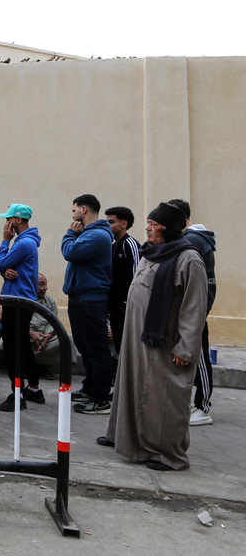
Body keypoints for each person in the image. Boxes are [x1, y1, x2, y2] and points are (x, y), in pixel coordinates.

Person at [100, 202, 207, 471]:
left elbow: (194, 308)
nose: (147, 228)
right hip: (137, 339)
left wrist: (186, 348)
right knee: (131, 388)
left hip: (165, 343)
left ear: (169, 229)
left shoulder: (189, 259)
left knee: (163, 398)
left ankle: (168, 455)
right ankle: (124, 438)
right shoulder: (151, 252)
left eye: (154, 224)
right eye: (148, 223)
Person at [62, 194, 114, 415]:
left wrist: (69, 234)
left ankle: (100, 399)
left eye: (74, 210)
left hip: (90, 301)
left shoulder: (98, 235)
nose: (73, 214)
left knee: (97, 351)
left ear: (83, 209)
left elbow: (70, 252)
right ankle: (89, 388)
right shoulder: (89, 233)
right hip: (81, 299)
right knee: (85, 348)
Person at [169, 199, 217, 426]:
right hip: (190, 308)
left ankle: (203, 407)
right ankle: (195, 404)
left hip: (194, 310)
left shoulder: (193, 240)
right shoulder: (190, 238)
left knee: (198, 357)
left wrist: (200, 312)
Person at [0, 203, 44, 411]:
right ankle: (34, 389)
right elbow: (7, 267)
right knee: (22, 344)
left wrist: (5, 241)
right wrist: (5, 271)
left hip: (16, 302)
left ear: (18, 219)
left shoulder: (23, 243)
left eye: (9, 219)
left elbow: (1, 262)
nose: (7, 223)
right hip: (20, 301)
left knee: (13, 348)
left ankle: (17, 395)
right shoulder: (26, 241)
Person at [104, 206, 140, 358]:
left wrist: (128, 304)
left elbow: (138, 276)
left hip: (128, 309)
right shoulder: (112, 247)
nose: (107, 226)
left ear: (123, 224)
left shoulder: (130, 244)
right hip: (114, 310)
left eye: (111, 222)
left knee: (131, 349)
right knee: (120, 348)